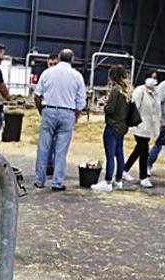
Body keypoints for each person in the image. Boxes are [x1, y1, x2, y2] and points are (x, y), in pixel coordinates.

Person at [33, 48, 86, 191]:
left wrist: (42, 112)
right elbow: (81, 102)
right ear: (72, 59)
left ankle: (39, 180)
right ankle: (57, 182)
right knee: (61, 151)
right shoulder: (77, 76)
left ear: (59, 58)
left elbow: (37, 95)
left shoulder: (47, 73)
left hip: (48, 110)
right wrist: (75, 117)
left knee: (43, 148)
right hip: (67, 113)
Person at [91, 65, 131, 192]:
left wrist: (104, 104)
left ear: (112, 77)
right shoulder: (127, 91)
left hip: (112, 126)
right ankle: (118, 180)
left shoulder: (115, 90)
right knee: (119, 154)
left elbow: (110, 109)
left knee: (110, 155)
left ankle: (108, 181)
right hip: (122, 126)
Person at [123, 70, 161, 188]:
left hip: (150, 127)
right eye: (151, 77)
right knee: (144, 151)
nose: (153, 80)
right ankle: (143, 177)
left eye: (155, 78)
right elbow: (134, 108)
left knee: (138, 150)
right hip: (140, 126)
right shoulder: (140, 91)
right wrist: (134, 124)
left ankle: (125, 169)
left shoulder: (155, 93)